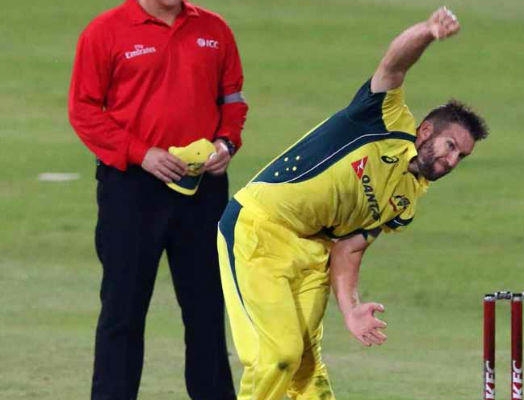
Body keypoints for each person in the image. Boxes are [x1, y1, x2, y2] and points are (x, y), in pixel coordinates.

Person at [216, 5, 488, 400]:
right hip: (258, 229)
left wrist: (351, 308)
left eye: (461, 157)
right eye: (450, 147)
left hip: (313, 251)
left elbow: (350, 248)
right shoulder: (382, 119)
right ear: (426, 130)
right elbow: (394, 65)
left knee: (307, 370)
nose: (451, 161)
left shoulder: (406, 200)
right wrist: (428, 31)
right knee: (278, 357)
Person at [68, 0, 247, 398]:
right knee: (123, 311)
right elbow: (84, 110)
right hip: (131, 189)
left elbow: (232, 101)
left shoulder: (214, 29)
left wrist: (226, 142)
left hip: (202, 189)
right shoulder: (105, 31)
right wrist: (141, 153)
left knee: (206, 310)